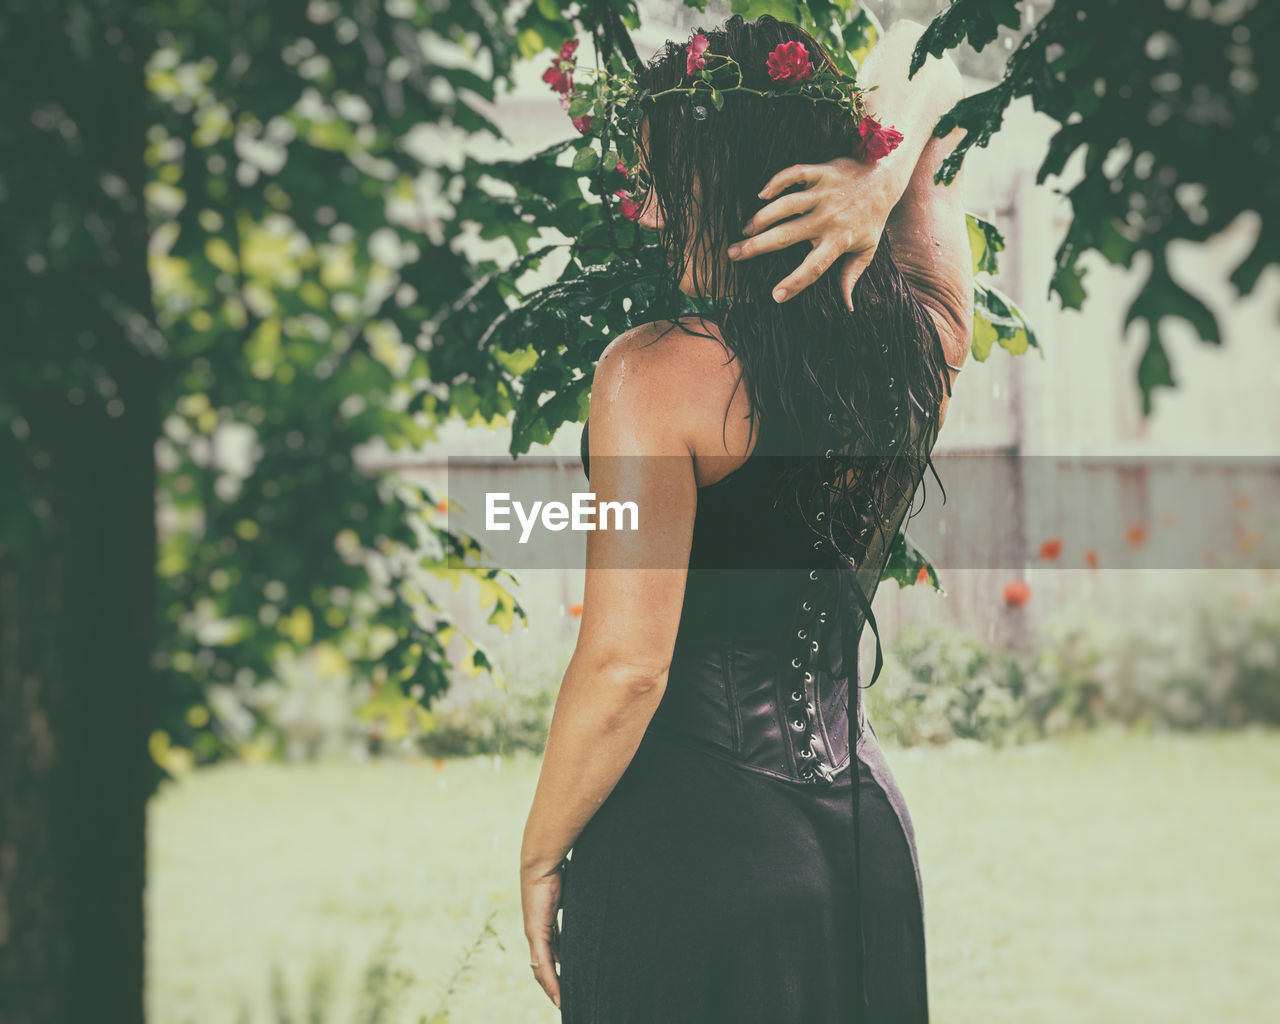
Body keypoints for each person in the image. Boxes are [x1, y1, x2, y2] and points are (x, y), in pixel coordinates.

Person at [520, 13, 972, 1023]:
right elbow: (932, 139)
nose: (643, 216)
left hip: (689, 861)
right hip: (862, 845)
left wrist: (542, 850)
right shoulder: (927, 344)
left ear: (725, 182)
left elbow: (627, 668)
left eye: (662, 180)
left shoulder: (652, 374)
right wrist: (878, 179)